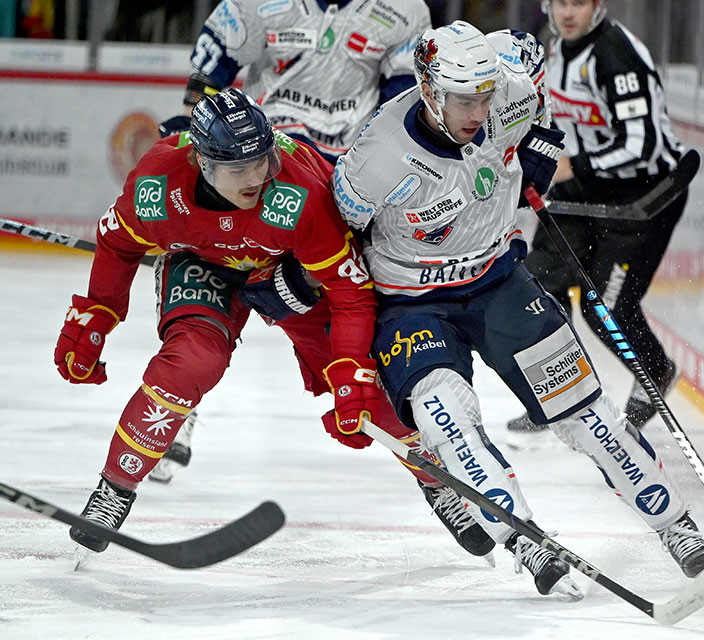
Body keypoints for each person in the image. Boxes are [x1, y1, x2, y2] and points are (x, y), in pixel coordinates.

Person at [331, 21, 704, 597]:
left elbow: (541, 119)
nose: (478, 110)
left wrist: (538, 152)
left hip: (499, 282)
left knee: (586, 415)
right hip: (413, 307)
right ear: (430, 90)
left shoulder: (508, 93)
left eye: (485, 96)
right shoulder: (374, 159)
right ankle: (524, 539)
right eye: (465, 99)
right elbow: (338, 238)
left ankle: (674, 526)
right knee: (448, 418)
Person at [55, 88, 493, 563]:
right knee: (189, 362)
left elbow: (349, 295)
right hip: (205, 263)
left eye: (260, 161)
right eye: (237, 168)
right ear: (202, 163)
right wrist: (98, 312)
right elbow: (118, 243)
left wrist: (351, 368)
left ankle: (437, 480)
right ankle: (115, 488)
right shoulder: (156, 187)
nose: (255, 176)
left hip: (292, 273)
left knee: (375, 394)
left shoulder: (300, 194)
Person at [149, 0, 433, 483]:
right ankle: (178, 406)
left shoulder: (404, 9)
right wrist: (197, 140)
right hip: (262, 172)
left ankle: (427, 464)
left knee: (352, 320)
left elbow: (403, 106)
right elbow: (210, 74)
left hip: (341, 188)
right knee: (205, 298)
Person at [504, 0, 689, 449]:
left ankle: (654, 372)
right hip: (584, 193)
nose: (568, 12)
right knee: (538, 291)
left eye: (579, 2)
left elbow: (642, 146)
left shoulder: (615, 55)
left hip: (642, 199)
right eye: (560, 2)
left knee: (604, 309)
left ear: (597, 5)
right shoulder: (556, 49)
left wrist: (569, 169)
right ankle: (559, 397)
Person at [178, 0, 432, 163]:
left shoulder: (406, 8)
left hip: (346, 159)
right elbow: (207, 73)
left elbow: (402, 100)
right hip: (259, 146)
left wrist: (379, 160)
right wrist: (195, 134)